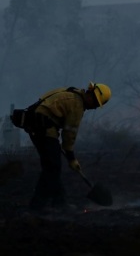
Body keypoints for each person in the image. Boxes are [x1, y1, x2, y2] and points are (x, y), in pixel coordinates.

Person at [21, 82, 111, 212]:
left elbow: (44, 99)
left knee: (52, 167)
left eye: (98, 105)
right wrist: (72, 158)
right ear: (91, 95)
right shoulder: (77, 106)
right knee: (52, 168)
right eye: (96, 103)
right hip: (44, 129)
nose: (95, 107)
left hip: (38, 127)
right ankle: (37, 206)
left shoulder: (71, 92)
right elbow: (69, 133)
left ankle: (59, 202)